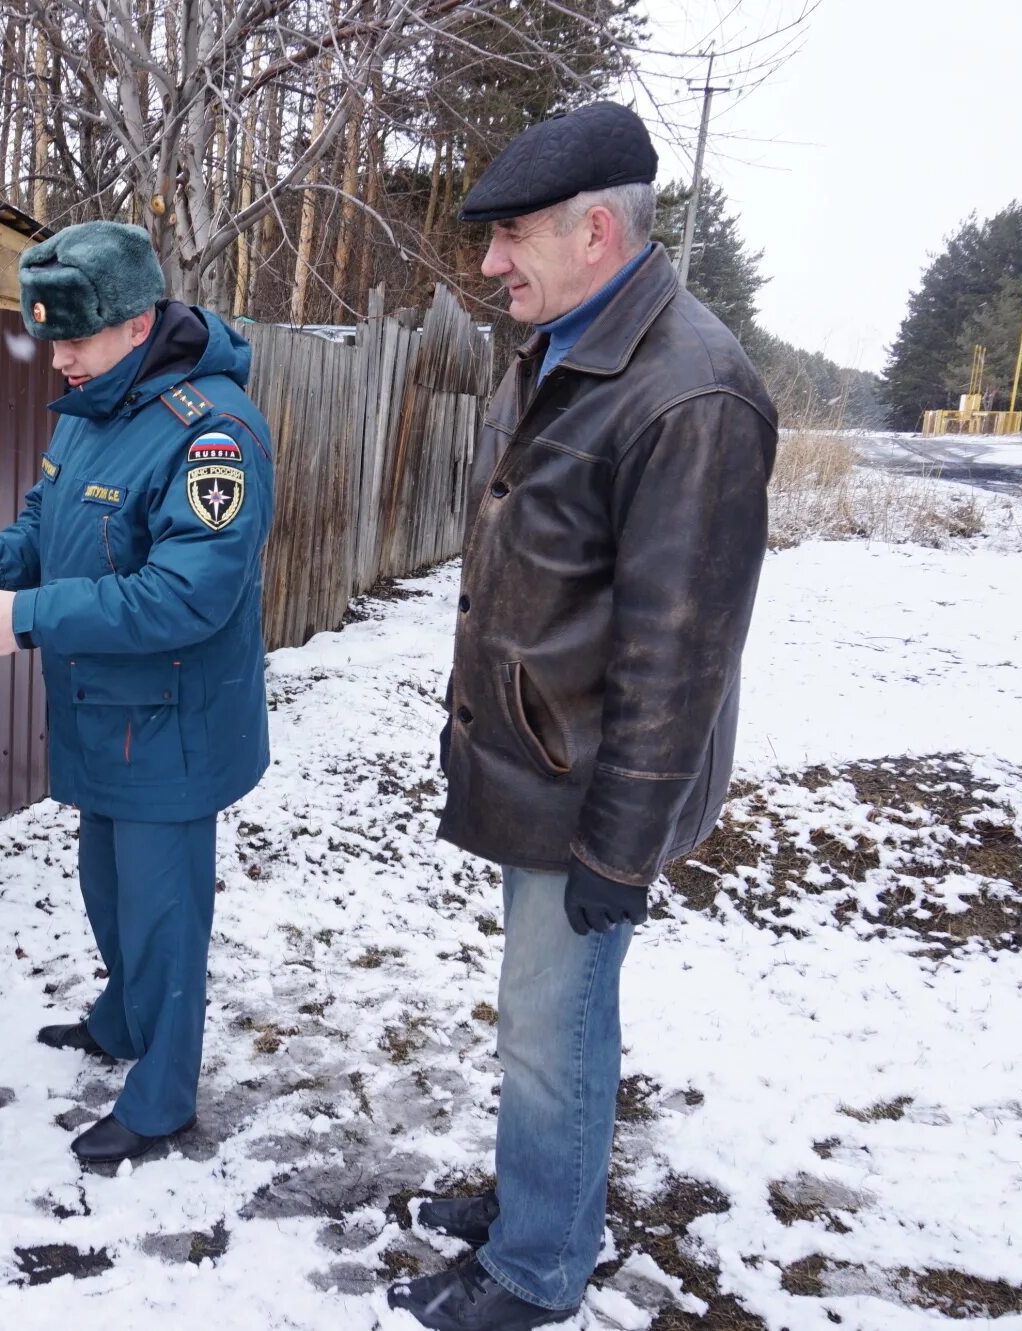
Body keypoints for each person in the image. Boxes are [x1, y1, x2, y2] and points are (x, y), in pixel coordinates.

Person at [386, 104, 776, 1330]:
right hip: (537, 757)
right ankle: (530, 1198)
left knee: (553, 1032)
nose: (489, 263)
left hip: (590, 788)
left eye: (508, 237)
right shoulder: (568, 339)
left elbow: (679, 652)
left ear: (594, 228)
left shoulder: (690, 390)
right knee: (533, 1018)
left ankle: (537, 1265)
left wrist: (618, 845)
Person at [0, 222, 275, 1166]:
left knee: (163, 918)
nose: (61, 358)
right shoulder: (89, 405)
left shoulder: (215, 433)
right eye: (51, 339)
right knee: (108, 888)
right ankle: (120, 1022)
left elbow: (189, 595)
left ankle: (160, 1099)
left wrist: (29, 613)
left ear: (138, 322)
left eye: (76, 338)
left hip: (172, 726)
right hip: (101, 713)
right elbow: (47, 517)